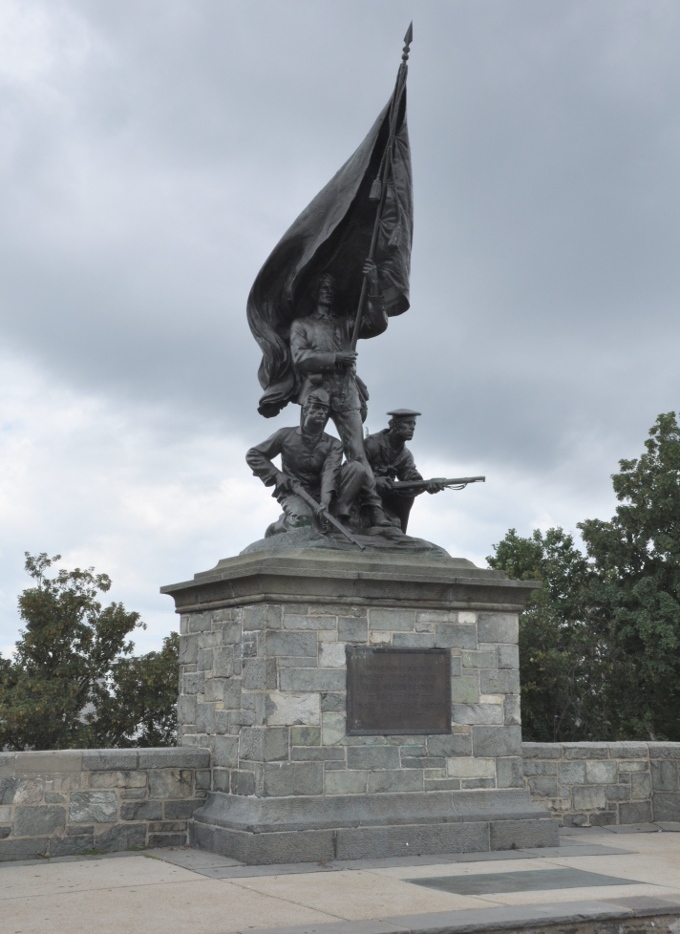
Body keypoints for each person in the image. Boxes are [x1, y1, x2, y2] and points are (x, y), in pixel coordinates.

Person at [288, 262, 391, 527]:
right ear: (315, 292)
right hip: (315, 394)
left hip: (345, 391)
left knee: (357, 452)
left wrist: (375, 285)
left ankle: (374, 509)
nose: (327, 292)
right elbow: (300, 359)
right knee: (311, 450)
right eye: (323, 288)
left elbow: (377, 324)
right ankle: (311, 506)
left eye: (331, 288)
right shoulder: (302, 325)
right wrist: (336, 357)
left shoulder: (347, 322)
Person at [246, 389, 370, 537]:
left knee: (356, 468)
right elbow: (254, 455)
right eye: (316, 408)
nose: (321, 413)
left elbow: (329, 473)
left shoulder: (334, 444)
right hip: (294, 492)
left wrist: (325, 502)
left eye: (325, 410)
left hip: (325, 492)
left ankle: (338, 517)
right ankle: (278, 526)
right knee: (304, 520)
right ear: (306, 410)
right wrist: (277, 475)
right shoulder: (284, 435)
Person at [364, 409, 446, 533]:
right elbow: (353, 469)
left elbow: (411, 478)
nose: (412, 428)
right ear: (394, 425)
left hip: (385, 496)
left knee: (405, 498)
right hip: (363, 494)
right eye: (408, 423)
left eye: (414, 424)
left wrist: (426, 485)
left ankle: (401, 532)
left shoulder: (405, 455)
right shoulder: (372, 443)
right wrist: (374, 480)